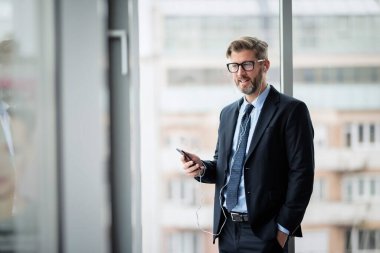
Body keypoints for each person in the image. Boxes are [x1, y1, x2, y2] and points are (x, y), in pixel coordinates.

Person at [180, 36, 314, 253]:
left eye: (247, 65)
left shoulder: (291, 111)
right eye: (234, 66)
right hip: (226, 229)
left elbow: (302, 174)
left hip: (265, 233)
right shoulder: (228, 113)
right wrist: (201, 168)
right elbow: (223, 168)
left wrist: (282, 230)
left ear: (265, 65)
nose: (240, 73)